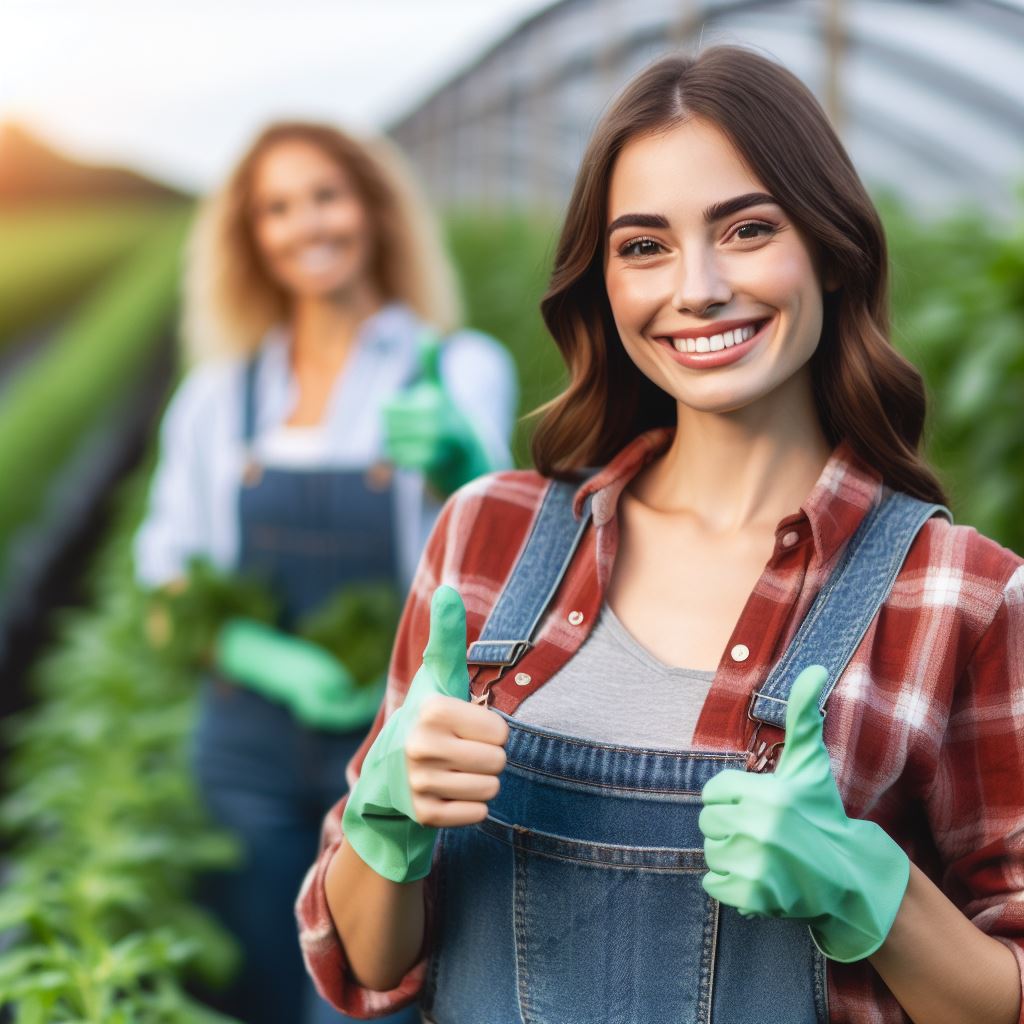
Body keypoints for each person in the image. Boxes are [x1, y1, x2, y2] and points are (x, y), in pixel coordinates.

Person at [297, 48, 1024, 1024]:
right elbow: (371, 960)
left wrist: (878, 896)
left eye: (748, 229)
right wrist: (384, 832)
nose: (699, 286)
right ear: (602, 285)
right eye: (644, 246)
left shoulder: (960, 597)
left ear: (833, 248)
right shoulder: (488, 536)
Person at [133, 121, 517, 1024]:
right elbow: (164, 580)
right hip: (244, 752)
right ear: (250, 236)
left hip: (398, 748)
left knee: (366, 999)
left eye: (326, 196)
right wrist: (256, 653)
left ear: (374, 210)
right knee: (262, 986)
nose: (307, 224)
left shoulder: (454, 366)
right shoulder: (219, 397)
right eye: (277, 207)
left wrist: (466, 464)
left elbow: (510, 559)